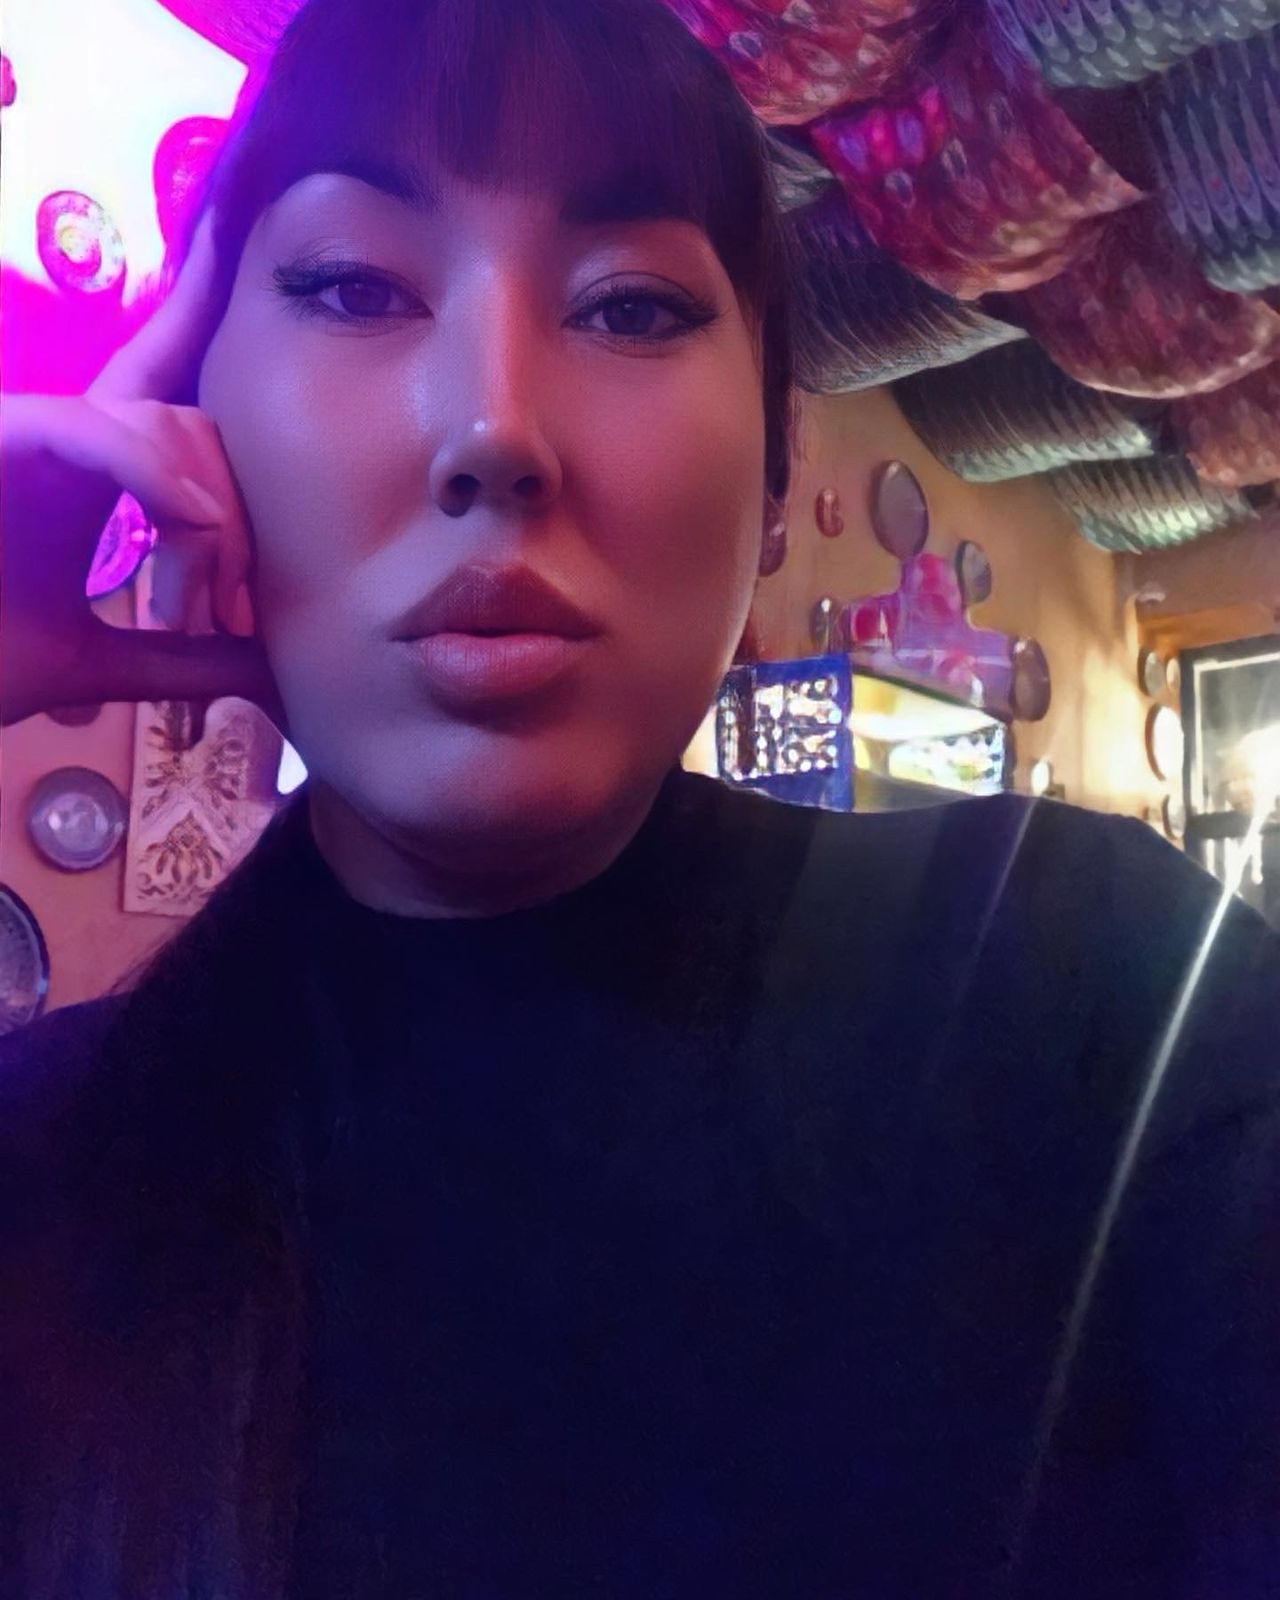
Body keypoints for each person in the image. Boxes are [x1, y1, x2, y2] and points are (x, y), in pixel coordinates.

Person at [1, 1, 1277, 1596]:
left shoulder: (1103, 991)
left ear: (773, 478)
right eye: (354, 286)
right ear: (189, 412)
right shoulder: (44, 1159)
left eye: (630, 306)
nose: (494, 429)